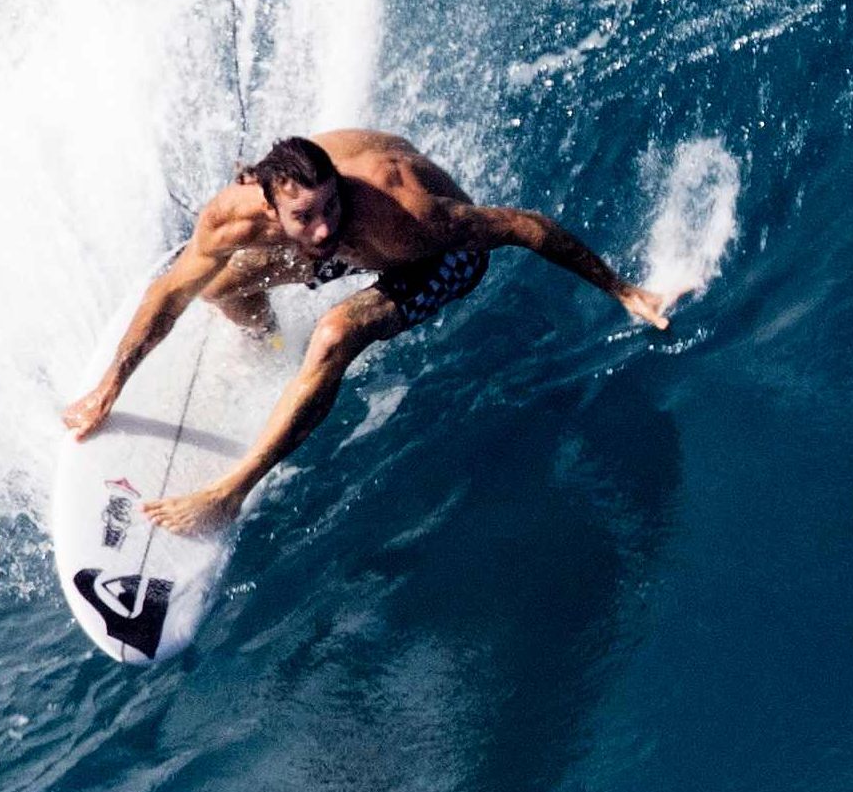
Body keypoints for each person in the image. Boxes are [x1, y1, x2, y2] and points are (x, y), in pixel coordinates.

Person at [60, 128, 668, 534]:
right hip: (343, 238)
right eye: (305, 216)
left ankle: (230, 492)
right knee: (216, 285)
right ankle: (267, 341)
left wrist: (622, 290)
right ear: (268, 206)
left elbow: (523, 227)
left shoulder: (407, 216)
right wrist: (111, 385)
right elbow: (169, 290)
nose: (323, 227)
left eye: (331, 207)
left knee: (333, 333)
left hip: (435, 259)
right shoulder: (232, 216)